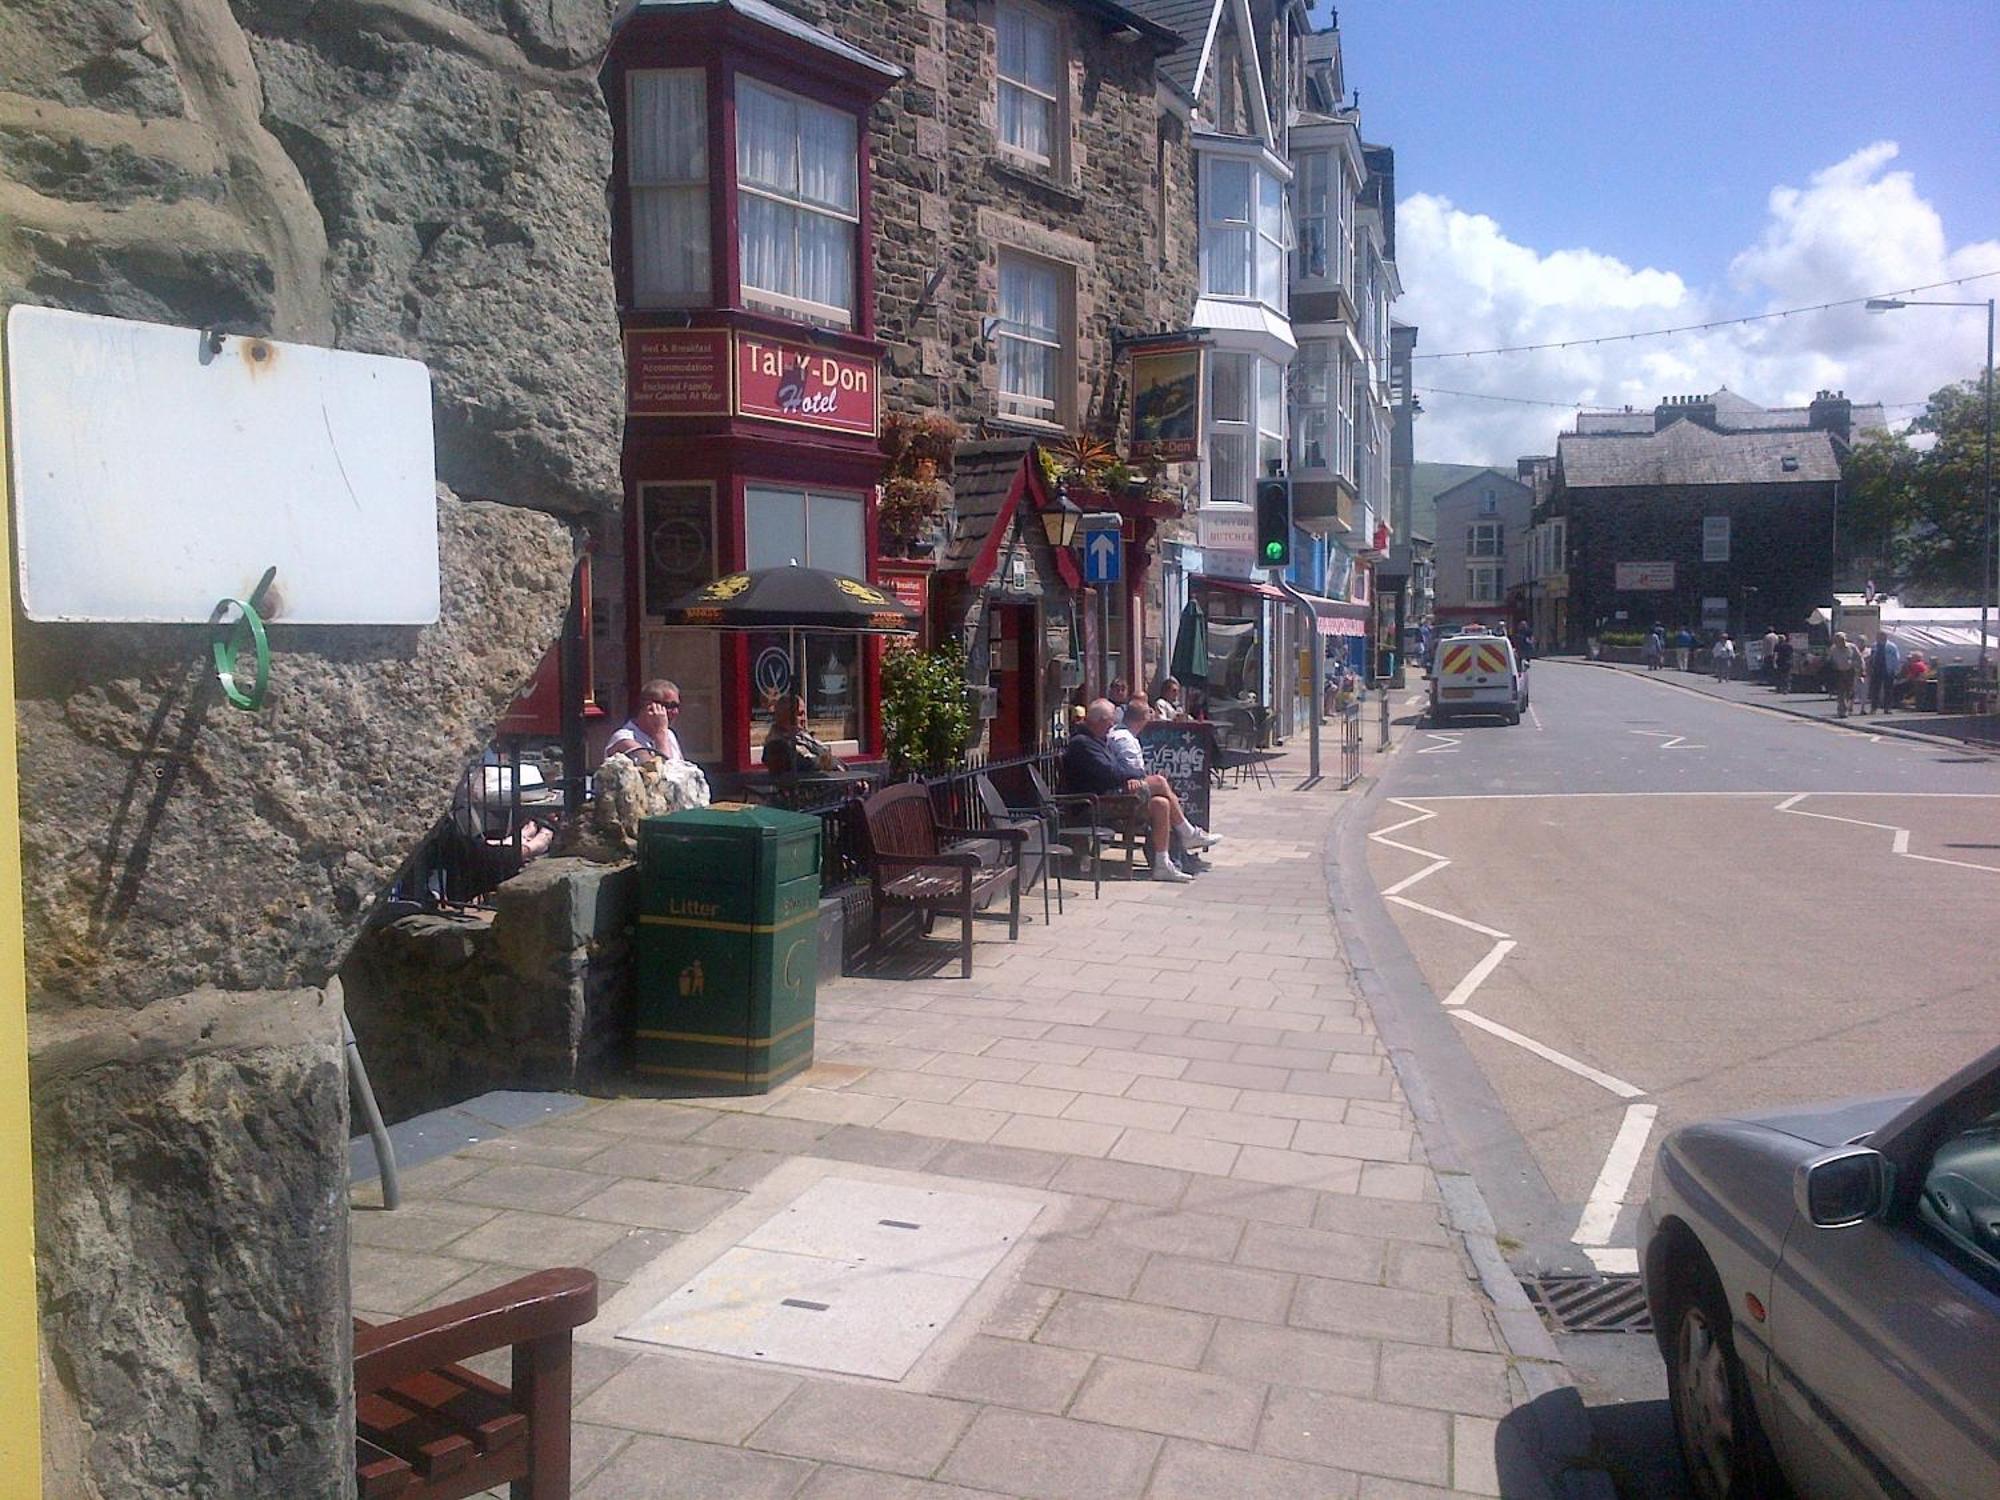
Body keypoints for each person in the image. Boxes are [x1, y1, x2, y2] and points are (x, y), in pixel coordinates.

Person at [1062, 700, 1206, 882]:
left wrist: (1131, 778)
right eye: (1109, 721)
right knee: (1159, 782)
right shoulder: (1082, 744)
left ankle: (1162, 864)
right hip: (1092, 804)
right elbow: (1111, 772)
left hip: (1110, 796)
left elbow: (1116, 768)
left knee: (1161, 804)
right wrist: (1137, 775)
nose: (1112, 725)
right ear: (1098, 720)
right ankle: (1187, 833)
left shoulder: (1098, 740)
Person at [606, 679, 685, 762]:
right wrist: (660, 733)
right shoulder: (624, 739)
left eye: (677, 706)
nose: (676, 712)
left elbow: (679, 769)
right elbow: (660, 771)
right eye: (671, 706)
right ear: (650, 706)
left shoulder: (668, 734)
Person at [762, 693, 834, 779]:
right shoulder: (776, 745)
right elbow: (807, 764)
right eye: (800, 714)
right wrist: (827, 761)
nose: (804, 719)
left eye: (804, 714)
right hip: (808, 788)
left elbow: (826, 753)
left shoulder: (803, 735)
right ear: (785, 715)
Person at [1825, 631, 1861, 717]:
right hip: (1839, 672)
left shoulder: (1852, 647)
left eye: (1841, 640)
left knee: (1849, 691)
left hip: (1850, 672)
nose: (1839, 642)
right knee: (1841, 692)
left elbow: (1859, 658)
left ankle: (1847, 707)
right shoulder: (1833, 649)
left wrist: (1861, 669)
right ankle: (1842, 710)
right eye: (1837, 640)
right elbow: (1829, 660)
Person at [1865, 633, 1901, 716]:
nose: (1879, 638)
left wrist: (1894, 669)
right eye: (1878, 637)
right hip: (1876, 670)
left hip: (1888, 670)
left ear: (1885, 637)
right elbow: (1871, 658)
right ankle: (1873, 708)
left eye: (1881, 636)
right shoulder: (1874, 646)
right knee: (1875, 690)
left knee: (1888, 690)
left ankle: (1887, 708)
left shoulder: (1891, 646)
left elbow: (1896, 658)